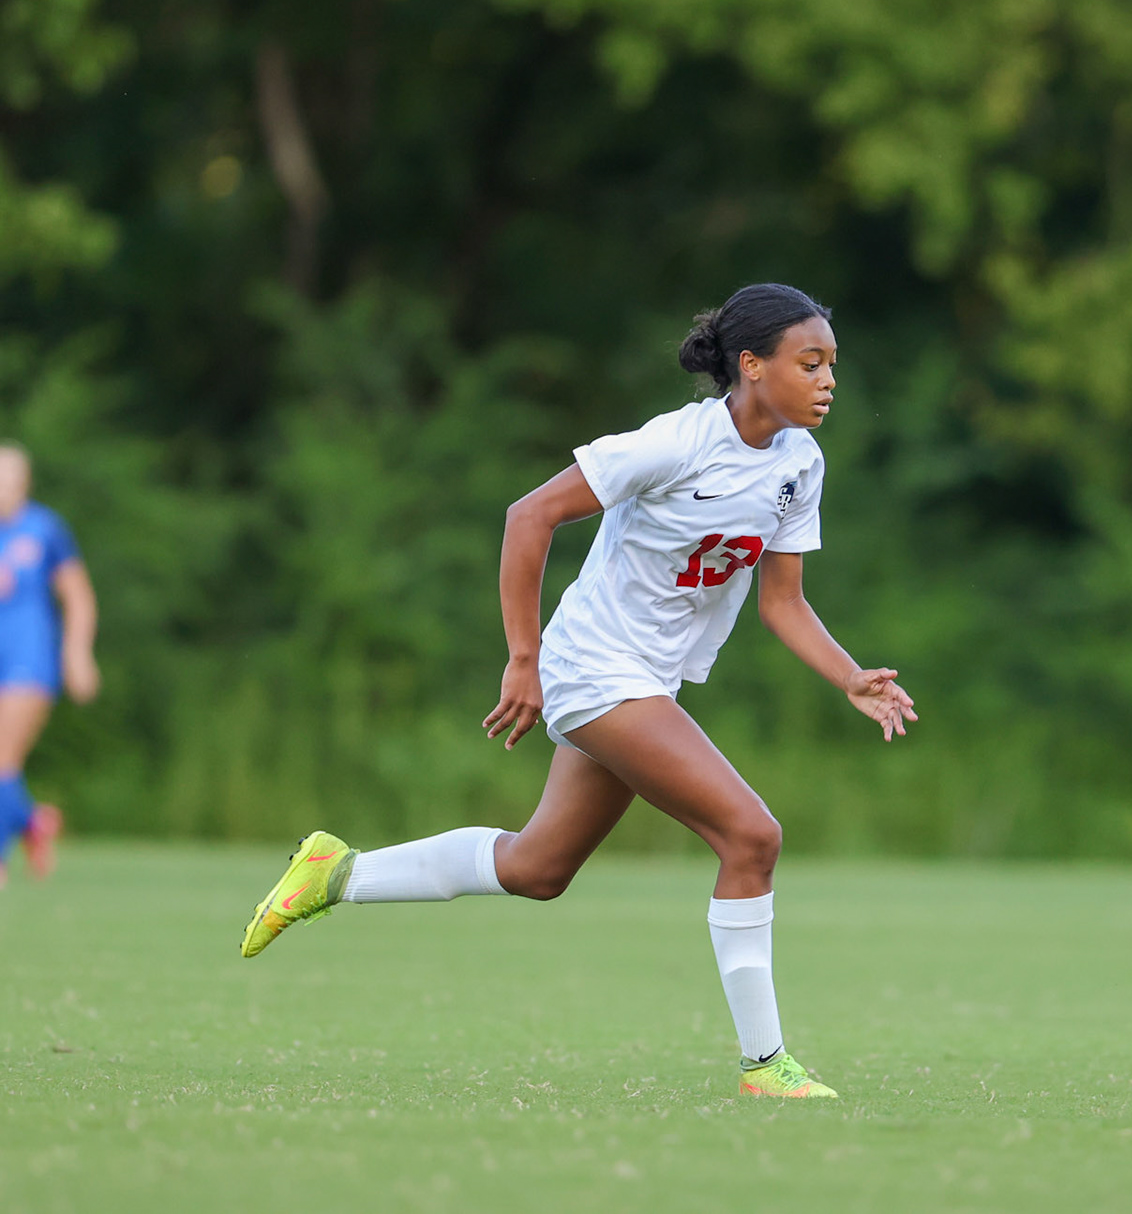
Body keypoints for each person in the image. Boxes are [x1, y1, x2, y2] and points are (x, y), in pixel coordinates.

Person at [239, 284, 915, 1099]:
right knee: (752, 835)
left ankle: (336, 873)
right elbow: (530, 516)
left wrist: (850, 676)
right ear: (751, 366)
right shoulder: (674, 444)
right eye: (810, 364)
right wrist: (522, 658)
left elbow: (784, 602)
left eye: (831, 365)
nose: (827, 381)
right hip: (593, 667)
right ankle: (766, 1064)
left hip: (647, 681)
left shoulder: (799, 465)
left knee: (539, 866)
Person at [0, 443, 97, 888]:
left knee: (2, 760)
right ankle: (33, 822)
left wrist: (77, 654)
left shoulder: (44, 530)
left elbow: (77, 595)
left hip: (29, 660)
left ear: (24, 484)